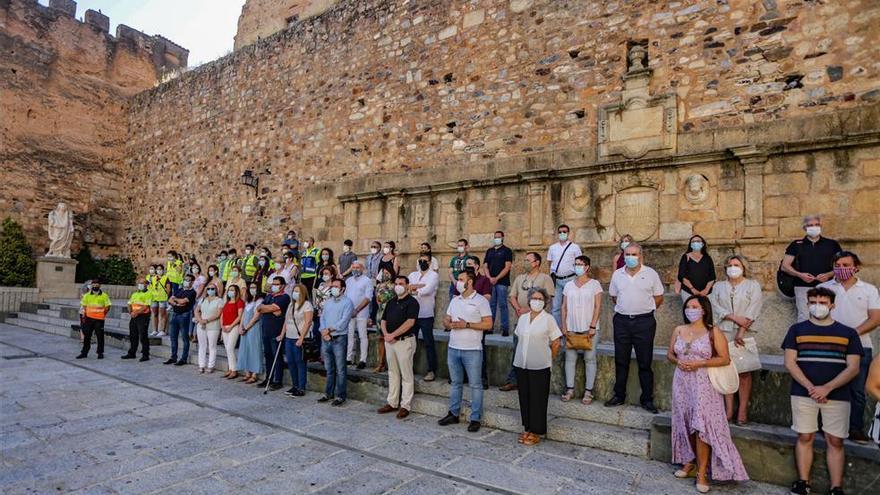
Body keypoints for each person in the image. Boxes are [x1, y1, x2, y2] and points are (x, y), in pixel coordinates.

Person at [782, 287, 862, 495]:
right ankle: (803, 482)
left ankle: (836, 487)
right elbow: (790, 363)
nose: (818, 306)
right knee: (804, 436)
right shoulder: (796, 330)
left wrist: (827, 388)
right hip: (803, 393)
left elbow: (853, 367)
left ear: (832, 305)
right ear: (807, 304)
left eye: (823, 302)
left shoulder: (848, 333)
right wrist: (811, 387)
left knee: (835, 440)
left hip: (837, 395)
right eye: (814, 302)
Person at [668, 295, 748, 493]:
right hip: (681, 381)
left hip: (703, 382)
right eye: (688, 306)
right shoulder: (679, 329)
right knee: (684, 422)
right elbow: (670, 354)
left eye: (695, 306)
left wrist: (700, 363)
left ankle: (702, 472)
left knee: (701, 425)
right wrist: (677, 361)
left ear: (704, 309)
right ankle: (688, 461)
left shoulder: (713, 331)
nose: (690, 309)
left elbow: (724, 358)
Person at [818, 251, 880, 443]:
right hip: (828, 347)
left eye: (846, 265)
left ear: (856, 267)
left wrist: (851, 335)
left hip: (860, 346)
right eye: (838, 265)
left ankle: (855, 428)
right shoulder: (823, 288)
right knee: (827, 387)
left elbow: (876, 318)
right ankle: (825, 426)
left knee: (857, 391)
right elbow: (817, 315)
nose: (841, 269)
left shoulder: (868, 290)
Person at [606, 242, 664, 413]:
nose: (630, 257)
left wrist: (644, 309)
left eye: (634, 254)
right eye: (627, 254)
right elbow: (614, 297)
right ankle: (619, 395)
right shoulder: (617, 274)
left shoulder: (651, 274)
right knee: (621, 360)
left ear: (641, 256)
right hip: (622, 322)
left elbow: (659, 297)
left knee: (644, 361)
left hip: (644, 322)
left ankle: (647, 399)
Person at [709, 255, 763, 424]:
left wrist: (741, 330)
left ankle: (742, 410)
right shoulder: (718, 286)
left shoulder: (752, 285)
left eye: (736, 265)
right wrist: (732, 316)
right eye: (730, 265)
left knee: (745, 371)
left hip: (744, 333)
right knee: (726, 370)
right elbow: (714, 305)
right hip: (723, 332)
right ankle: (729, 409)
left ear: (743, 267)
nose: (733, 267)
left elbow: (754, 308)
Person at [438, 270, 493, 433]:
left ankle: (475, 418)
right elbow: (446, 318)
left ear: (470, 282)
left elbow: (488, 324)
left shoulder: (481, 301)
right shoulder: (455, 300)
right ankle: (453, 413)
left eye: (461, 279)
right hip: (453, 348)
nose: (458, 282)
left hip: (472, 350)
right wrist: (448, 324)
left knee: (475, 385)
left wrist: (467, 325)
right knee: (455, 383)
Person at [513, 287, 562, 446]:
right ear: (529, 300)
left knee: (538, 399)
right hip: (521, 364)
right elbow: (518, 337)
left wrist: (549, 358)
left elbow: (556, 342)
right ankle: (527, 428)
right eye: (534, 298)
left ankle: (536, 431)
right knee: (524, 398)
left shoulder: (548, 319)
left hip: (540, 366)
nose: (537, 301)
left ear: (545, 302)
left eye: (540, 299)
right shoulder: (523, 318)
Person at [500, 252, 555, 392]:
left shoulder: (545, 278)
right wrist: (519, 309)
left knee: (534, 351)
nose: (525, 262)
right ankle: (514, 380)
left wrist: (530, 310)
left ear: (536, 262)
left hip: (538, 323)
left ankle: (531, 380)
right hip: (521, 321)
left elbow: (548, 299)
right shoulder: (520, 278)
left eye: (528, 260)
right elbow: (512, 296)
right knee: (518, 349)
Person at [781, 215, 842, 323]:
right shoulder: (796, 245)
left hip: (828, 285)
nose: (814, 227)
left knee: (829, 315)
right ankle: (805, 339)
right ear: (805, 228)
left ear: (821, 226)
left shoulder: (832, 244)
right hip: (802, 286)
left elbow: (842, 265)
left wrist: (828, 274)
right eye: (810, 225)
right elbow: (785, 266)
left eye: (816, 225)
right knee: (804, 317)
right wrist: (800, 275)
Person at [560, 256, 602, 404]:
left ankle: (588, 392)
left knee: (589, 359)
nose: (577, 266)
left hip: (589, 328)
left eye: (580, 264)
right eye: (576, 264)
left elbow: (598, 306)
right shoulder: (568, 285)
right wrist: (564, 326)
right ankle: (570, 389)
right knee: (570, 359)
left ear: (587, 267)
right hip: (571, 327)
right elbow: (564, 307)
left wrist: (592, 325)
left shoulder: (594, 284)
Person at [377, 275, 420, 419]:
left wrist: (393, 334)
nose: (398, 286)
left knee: (406, 374)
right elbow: (383, 320)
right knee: (393, 372)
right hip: (390, 342)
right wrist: (386, 334)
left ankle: (405, 405)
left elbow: (410, 322)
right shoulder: (391, 302)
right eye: (396, 283)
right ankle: (392, 402)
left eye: (401, 283)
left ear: (408, 285)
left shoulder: (412, 302)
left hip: (404, 341)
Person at [318, 278, 354, 406]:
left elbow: (344, 321)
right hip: (326, 338)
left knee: (340, 369)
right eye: (332, 286)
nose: (333, 288)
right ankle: (328, 393)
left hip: (339, 338)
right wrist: (323, 330)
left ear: (343, 289)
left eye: (336, 286)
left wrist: (329, 330)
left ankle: (340, 396)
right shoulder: (328, 302)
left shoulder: (348, 302)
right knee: (329, 368)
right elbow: (322, 317)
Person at [408, 253, 440, 381]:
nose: (422, 262)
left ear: (430, 262)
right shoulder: (412, 275)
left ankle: (431, 370)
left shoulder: (433, 275)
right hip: (412, 314)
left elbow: (428, 290)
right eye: (420, 260)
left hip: (426, 314)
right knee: (410, 342)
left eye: (425, 261)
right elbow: (406, 288)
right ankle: (408, 368)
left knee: (428, 343)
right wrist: (418, 287)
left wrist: (414, 289)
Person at [256, 276, 290, 390]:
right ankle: (268, 378)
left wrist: (267, 308)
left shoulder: (284, 297)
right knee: (268, 355)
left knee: (277, 356)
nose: (274, 286)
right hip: (266, 330)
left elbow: (274, 308)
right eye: (273, 284)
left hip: (276, 331)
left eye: (277, 284)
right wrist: (269, 309)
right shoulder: (269, 296)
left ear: (282, 285)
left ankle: (277, 380)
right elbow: (260, 308)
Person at [548, 224, 583, 326]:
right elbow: (550, 263)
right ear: (557, 233)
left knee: (571, 306)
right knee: (556, 307)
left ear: (568, 233)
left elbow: (580, 262)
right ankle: (557, 333)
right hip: (557, 280)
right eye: (560, 232)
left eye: (564, 232)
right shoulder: (552, 247)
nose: (562, 234)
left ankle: (570, 330)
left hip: (570, 279)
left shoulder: (575, 247)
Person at [282, 284, 312, 397]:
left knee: (300, 363)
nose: (295, 293)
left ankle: (301, 387)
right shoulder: (291, 304)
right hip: (289, 337)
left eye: (298, 291)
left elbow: (308, 322)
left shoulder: (307, 305)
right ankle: (294, 385)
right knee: (291, 362)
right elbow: (286, 320)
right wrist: (282, 334)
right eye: (294, 291)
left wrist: (301, 337)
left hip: (299, 338)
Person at [483, 230, 514, 336]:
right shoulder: (489, 251)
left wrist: (497, 278)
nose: (497, 238)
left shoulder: (507, 251)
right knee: (491, 305)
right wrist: (489, 277)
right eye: (495, 237)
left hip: (502, 282)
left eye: (499, 237)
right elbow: (485, 266)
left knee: (503, 305)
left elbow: (508, 266)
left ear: (503, 238)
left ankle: (505, 328)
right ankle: (489, 327)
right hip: (490, 282)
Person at [345, 259, 373, 369]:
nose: (355, 269)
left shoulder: (367, 281)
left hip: (362, 313)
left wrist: (356, 310)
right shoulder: (349, 281)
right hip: (349, 313)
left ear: (362, 268)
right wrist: (349, 310)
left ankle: (363, 360)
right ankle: (349, 358)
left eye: (357, 267)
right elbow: (346, 297)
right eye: (354, 267)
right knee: (350, 336)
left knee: (362, 336)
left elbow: (368, 298)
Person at [164, 274, 197, 366]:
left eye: (189, 280)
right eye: (185, 279)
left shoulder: (192, 292)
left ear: (192, 282)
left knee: (184, 338)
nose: (186, 281)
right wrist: (177, 303)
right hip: (174, 314)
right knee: (173, 337)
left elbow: (184, 302)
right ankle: (173, 357)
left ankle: (183, 358)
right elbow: (170, 300)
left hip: (184, 315)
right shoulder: (179, 290)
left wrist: (176, 300)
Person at [237, 283, 264, 384]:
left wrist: (246, 327)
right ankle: (247, 372)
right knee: (245, 348)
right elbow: (243, 314)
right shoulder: (247, 301)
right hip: (244, 327)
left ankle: (254, 374)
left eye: (255, 287)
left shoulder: (260, 301)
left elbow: (256, 316)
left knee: (254, 349)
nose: (253, 289)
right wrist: (241, 326)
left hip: (253, 328)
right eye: (251, 288)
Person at [77, 279, 111, 359]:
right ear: (91, 285)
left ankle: (100, 353)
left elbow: (107, 306)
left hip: (99, 319)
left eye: (97, 284)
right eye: (94, 284)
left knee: (100, 336)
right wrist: (87, 314)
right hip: (89, 319)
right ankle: (84, 353)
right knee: (87, 336)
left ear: (100, 285)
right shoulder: (87, 295)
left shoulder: (104, 295)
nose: (95, 285)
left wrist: (102, 314)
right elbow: (84, 305)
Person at [677, 235, 716, 302]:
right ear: (690, 244)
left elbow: (712, 276)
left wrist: (706, 290)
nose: (696, 243)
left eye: (698, 241)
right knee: (690, 310)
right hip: (688, 292)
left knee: (706, 311)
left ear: (702, 244)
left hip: (706, 293)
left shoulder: (707, 258)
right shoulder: (685, 257)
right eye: (693, 241)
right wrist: (692, 289)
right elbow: (681, 275)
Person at [194, 284, 223, 373]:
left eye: (212, 288)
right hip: (201, 325)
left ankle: (210, 366)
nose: (210, 290)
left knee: (212, 346)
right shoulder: (203, 299)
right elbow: (196, 310)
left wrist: (206, 320)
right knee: (202, 346)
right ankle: (201, 365)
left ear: (216, 290)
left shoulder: (219, 300)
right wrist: (200, 320)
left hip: (213, 326)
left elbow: (218, 314)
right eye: (208, 288)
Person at [372, 267, 396, 373]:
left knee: (391, 339)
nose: (385, 274)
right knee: (381, 339)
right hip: (380, 314)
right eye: (384, 273)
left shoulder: (395, 286)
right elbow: (377, 300)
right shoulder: (378, 286)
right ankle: (381, 364)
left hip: (391, 314)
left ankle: (392, 365)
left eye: (387, 272)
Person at [122, 277, 152, 362]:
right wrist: (131, 312)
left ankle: (145, 354)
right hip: (134, 316)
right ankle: (132, 353)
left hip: (143, 317)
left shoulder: (148, 294)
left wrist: (136, 313)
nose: (140, 285)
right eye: (139, 283)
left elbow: (146, 306)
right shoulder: (135, 294)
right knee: (133, 335)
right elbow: (129, 303)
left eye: (142, 283)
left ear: (146, 285)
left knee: (143, 336)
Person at [220, 285, 245, 379]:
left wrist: (231, 326)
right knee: (227, 349)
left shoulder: (239, 302)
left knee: (230, 348)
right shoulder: (227, 302)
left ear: (236, 291)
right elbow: (222, 315)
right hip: (224, 327)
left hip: (233, 327)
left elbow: (239, 316)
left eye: (232, 290)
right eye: (229, 290)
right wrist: (222, 326)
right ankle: (230, 369)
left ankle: (234, 370)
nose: (230, 292)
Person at [149, 265, 169, 337]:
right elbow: (151, 287)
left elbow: (168, 288)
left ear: (163, 270)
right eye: (157, 269)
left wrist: (167, 296)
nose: (159, 271)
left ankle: (162, 330)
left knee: (162, 314)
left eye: (160, 269)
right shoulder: (153, 278)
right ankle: (155, 330)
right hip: (154, 298)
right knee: (154, 314)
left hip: (162, 298)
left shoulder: (166, 278)